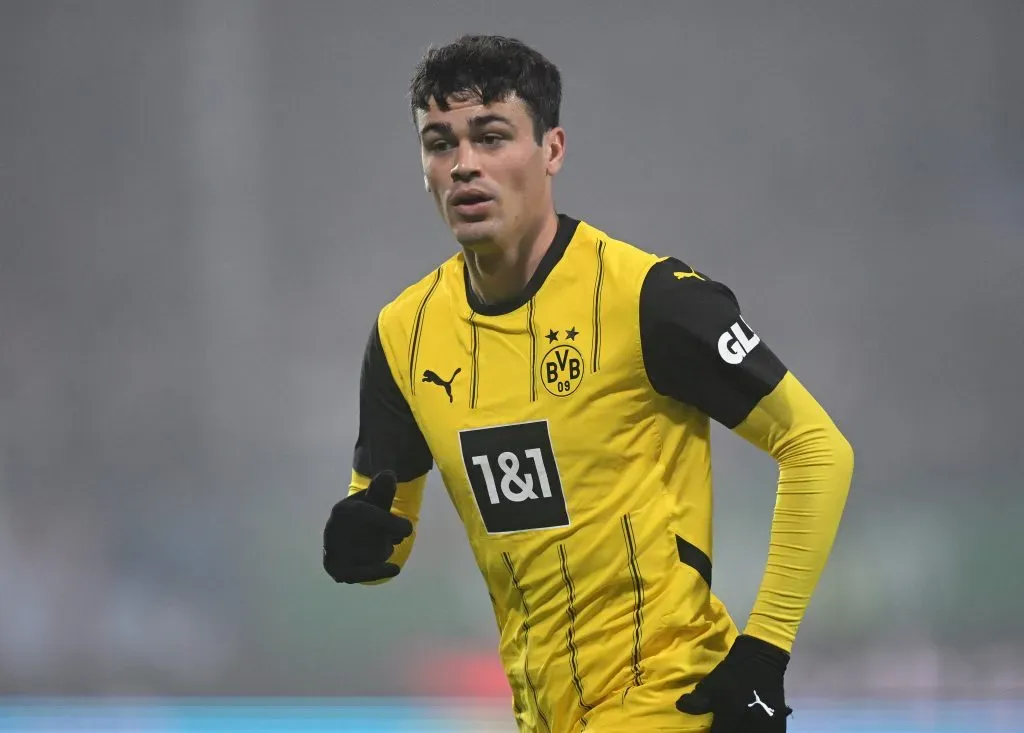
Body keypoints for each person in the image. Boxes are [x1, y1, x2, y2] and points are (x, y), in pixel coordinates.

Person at [322, 34, 854, 733]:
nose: (464, 166)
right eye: (440, 143)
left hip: (672, 698)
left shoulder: (649, 298)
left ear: (553, 149)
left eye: (490, 136)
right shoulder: (405, 334)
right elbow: (386, 535)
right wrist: (356, 548)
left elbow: (817, 447)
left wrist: (764, 653)